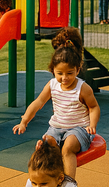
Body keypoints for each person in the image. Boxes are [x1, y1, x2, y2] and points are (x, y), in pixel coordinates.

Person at [13, 27, 100, 179]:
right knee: (49, 142)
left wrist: (92, 125)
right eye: (60, 73)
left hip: (78, 129)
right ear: (53, 70)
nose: (64, 78)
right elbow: (38, 102)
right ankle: (48, 151)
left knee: (67, 148)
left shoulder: (82, 88)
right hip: (56, 127)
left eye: (69, 73)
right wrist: (24, 121)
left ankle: (69, 182)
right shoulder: (52, 84)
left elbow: (93, 107)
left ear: (77, 70)